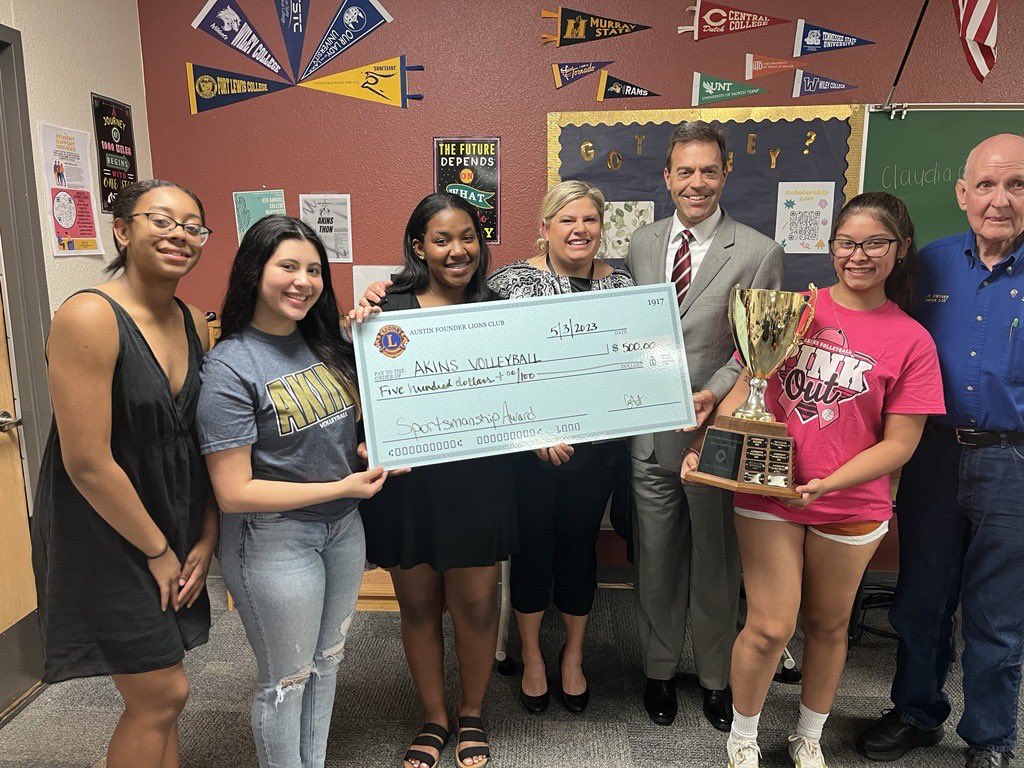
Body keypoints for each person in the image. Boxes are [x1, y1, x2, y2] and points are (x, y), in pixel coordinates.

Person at [683, 192, 944, 767]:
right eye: (847, 242)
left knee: (828, 626)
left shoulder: (912, 340)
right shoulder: (791, 307)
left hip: (852, 504)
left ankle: (808, 736)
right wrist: (712, 446)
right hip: (770, 491)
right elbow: (749, 383)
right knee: (771, 625)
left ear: (899, 250)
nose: (858, 255)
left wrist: (830, 481)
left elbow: (901, 443)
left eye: (875, 243)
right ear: (831, 248)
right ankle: (744, 738)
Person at [30, 179, 217, 768]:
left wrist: (206, 534)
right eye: (161, 221)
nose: (178, 235)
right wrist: (158, 549)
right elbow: (86, 462)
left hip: (172, 521)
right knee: (162, 693)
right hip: (110, 532)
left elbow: (196, 437)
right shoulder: (89, 315)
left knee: (163, 696)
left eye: (192, 226)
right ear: (122, 229)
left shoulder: (192, 318)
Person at [195, 215, 389, 768]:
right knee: (286, 679)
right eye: (288, 267)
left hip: (343, 529)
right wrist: (342, 484)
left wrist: (363, 454)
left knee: (327, 662)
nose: (303, 281)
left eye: (313, 269)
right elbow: (233, 492)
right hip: (274, 541)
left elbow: (339, 434)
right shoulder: (231, 364)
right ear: (255, 271)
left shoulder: (324, 344)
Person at [857, 134, 1024, 768]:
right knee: (921, 599)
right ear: (962, 194)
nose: (999, 200)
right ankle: (916, 713)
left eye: (1016, 185)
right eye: (986, 185)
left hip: (1014, 462)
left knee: (997, 616)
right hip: (929, 455)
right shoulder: (927, 265)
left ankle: (991, 738)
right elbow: (882, 342)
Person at [627, 121, 784, 730]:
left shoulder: (757, 251)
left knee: (717, 566)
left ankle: (717, 678)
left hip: (714, 436)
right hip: (647, 439)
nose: (696, 183)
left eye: (708, 171)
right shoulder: (640, 244)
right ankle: (660, 670)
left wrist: (714, 393)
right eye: (684, 171)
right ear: (667, 178)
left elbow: (759, 347)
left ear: (725, 175)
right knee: (656, 560)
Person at [357, 193, 515, 768]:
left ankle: (471, 712)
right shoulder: (384, 310)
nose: (457, 250)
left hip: (480, 481)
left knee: (476, 607)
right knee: (418, 605)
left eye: (468, 236)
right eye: (442, 239)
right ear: (419, 246)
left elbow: (522, 391)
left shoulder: (499, 308)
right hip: (410, 485)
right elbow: (366, 396)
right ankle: (434, 718)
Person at [488, 180, 634, 715]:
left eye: (589, 221)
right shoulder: (507, 284)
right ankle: (530, 656)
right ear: (545, 227)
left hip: (595, 453)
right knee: (531, 550)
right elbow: (494, 370)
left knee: (577, 548)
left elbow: (628, 367)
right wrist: (533, 433)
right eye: (567, 220)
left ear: (601, 228)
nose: (579, 230)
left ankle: (573, 656)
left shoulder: (625, 287)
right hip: (526, 453)